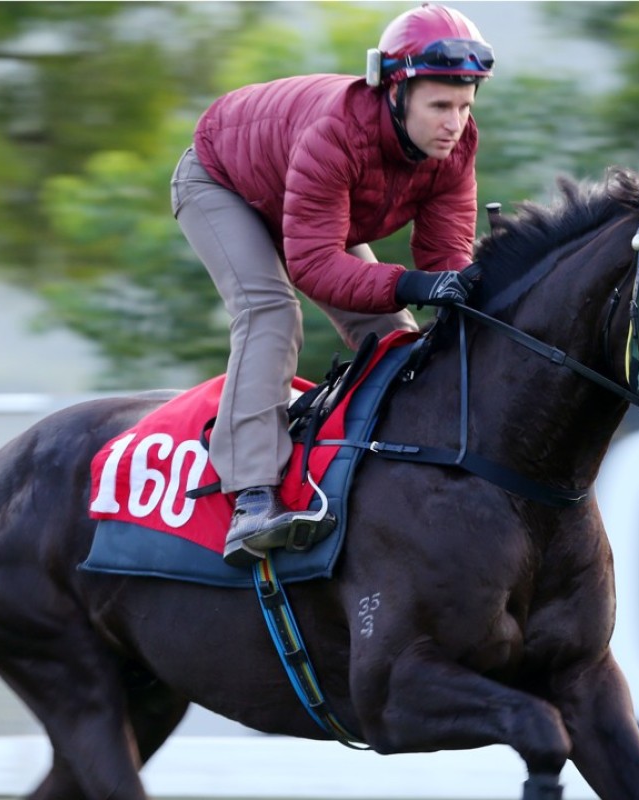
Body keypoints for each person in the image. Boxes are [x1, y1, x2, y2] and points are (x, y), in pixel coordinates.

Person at [171, 3, 495, 567]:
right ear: (393, 92)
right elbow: (315, 266)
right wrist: (419, 282)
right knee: (271, 312)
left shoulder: (456, 149)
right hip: (219, 180)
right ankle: (251, 497)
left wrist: (458, 293)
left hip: (302, 205)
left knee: (399, 333)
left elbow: (444, 261)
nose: (454, 123)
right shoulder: (336, 133)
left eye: (465, 106)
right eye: (439, 106)